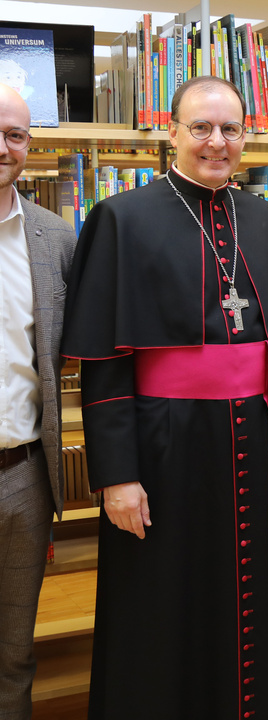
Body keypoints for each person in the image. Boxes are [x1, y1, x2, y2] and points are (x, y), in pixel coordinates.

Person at [61, 76, 268, 720]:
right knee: (162, 601)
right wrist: (118, 477)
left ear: (246, 136)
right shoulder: (120, 218)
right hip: (163, 448)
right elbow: (104, 365)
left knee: (241, 593)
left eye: (231, 129)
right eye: (201, 128)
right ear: (170, 132)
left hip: (252, 441)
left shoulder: (262, 215)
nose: (217, 142)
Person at [0, 83, 76, 718]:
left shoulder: (54, 238)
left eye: (15, 135)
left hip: (25, 472)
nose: (4, 147)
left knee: (13, 649)